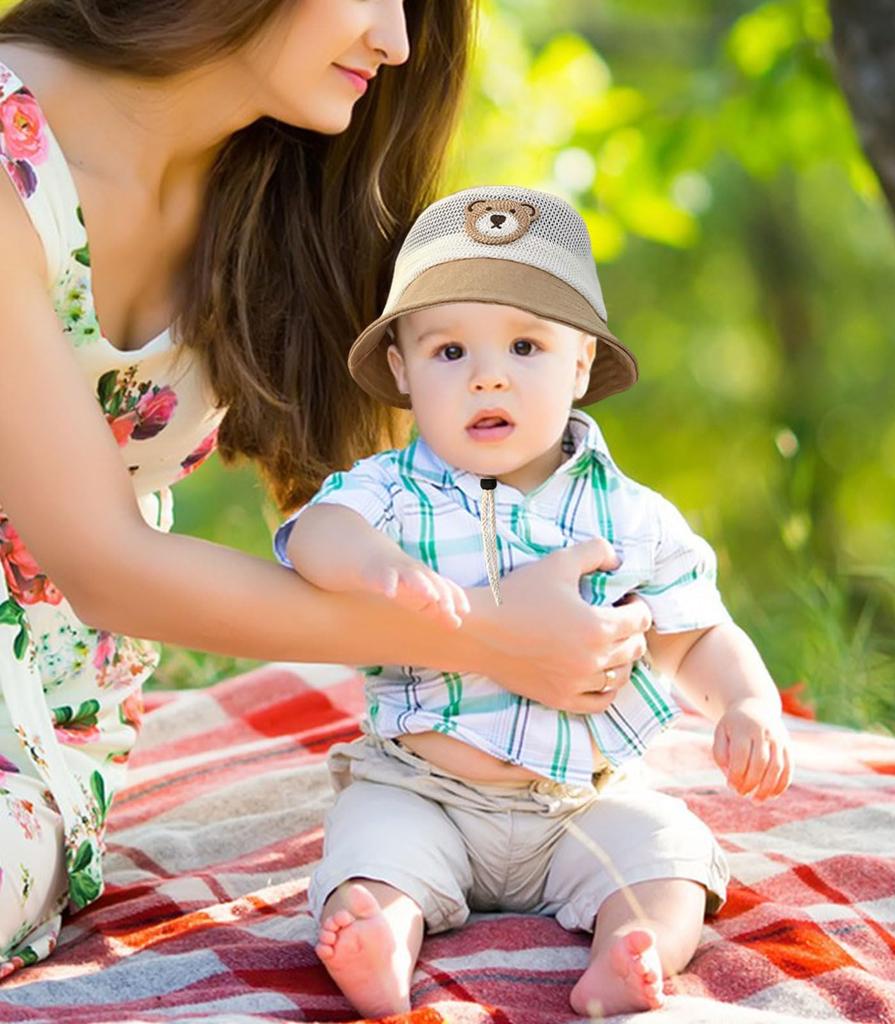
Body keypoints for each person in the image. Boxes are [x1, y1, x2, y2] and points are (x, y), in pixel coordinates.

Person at [0, 2, 656, 979]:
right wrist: (489, 635)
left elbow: (380, 501)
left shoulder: (268, 188)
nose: (396, 41)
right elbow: (101, 563)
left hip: (57, 713)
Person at [274, 186, 795, 1018]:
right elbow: (314, 535)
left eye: (525, 345)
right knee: (370, 851)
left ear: (580, 363)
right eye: (450, 351)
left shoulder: (630, 515)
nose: (488, 376)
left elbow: (694, 634)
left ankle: (633, 952)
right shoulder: (390, 493)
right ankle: (382, 942)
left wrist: (747, 703)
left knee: (669, 854)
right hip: (425, 787)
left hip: (582, 801)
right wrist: (375, 563)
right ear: (403, 371)